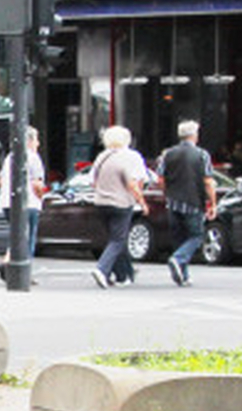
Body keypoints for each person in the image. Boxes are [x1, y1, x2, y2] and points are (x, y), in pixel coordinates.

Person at [87, 124, 149, 289]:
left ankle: (124, 274)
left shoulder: (102, 157)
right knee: (118, 239)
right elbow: (136, 182)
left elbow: (92, 181)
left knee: (114, 238)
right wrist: (141, 201)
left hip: (101, 202)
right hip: (122, 203)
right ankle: (102, 269)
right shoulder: (131, 157)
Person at [158, 118, 216, 286]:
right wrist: (212, 203)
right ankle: (178, 259)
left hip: (173, 201)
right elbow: (208, 181)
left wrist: (166, 193)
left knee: (179, 238)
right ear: (194, 135)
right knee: (196, 236)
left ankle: (182, 274)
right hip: (193, 201)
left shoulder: (168, 154)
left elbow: (160, 179)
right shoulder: (202, 155)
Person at [0, 126, 47, 263]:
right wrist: (42, 195)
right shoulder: (33, 158)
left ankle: (7, 261)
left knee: (16, 236)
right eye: (36, 140)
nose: (38, 144)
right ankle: (24, 268)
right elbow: (37, 184)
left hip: (6, 203)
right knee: (27, 239)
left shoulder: (9, 158)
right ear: (29, 141)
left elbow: (1, 180)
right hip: (29, 203)